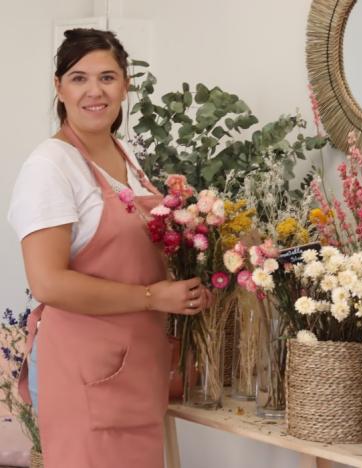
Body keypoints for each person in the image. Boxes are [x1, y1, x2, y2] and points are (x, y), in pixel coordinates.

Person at [7, 28, 209, 468]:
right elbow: (49, 282)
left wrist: (190, 282)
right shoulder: (51, 166)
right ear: (58, 87)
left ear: (125, 85)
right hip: (86, 373)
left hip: (136, 367)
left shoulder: (125, 157)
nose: (94, 92)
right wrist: (155, 297)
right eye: (79, 78)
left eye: (107, 77)